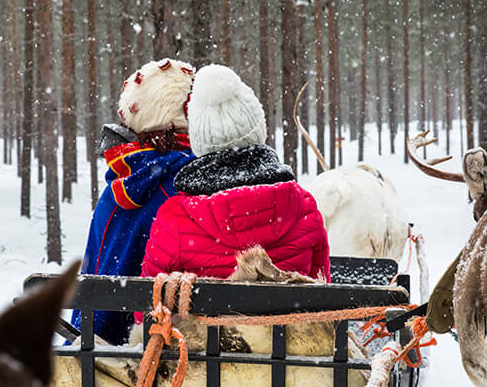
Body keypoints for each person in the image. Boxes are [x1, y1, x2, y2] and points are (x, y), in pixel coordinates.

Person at [141, 64, 330, 281]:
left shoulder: (174, 219)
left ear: (199, 142)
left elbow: (151, 306)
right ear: (259, 130)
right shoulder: (304, 206)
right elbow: (321, 288)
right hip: (295, 315)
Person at [75, 58, 197, 344]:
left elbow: (98, 278)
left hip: (104, 348)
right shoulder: (196, 188)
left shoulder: (118, 188)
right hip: (168, 351)